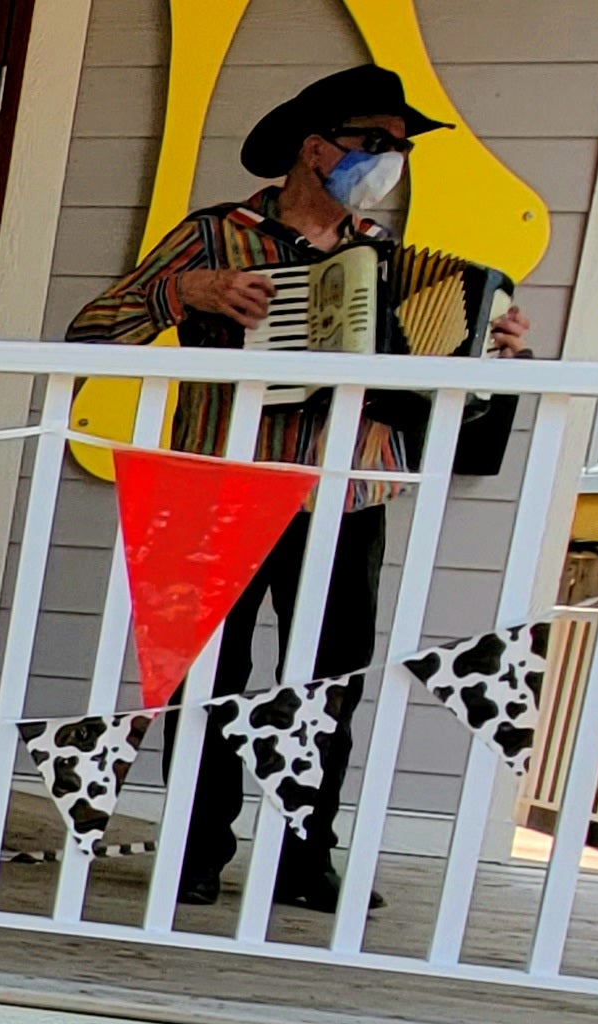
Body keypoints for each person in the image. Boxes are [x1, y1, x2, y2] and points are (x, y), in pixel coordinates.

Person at [66, 63, 530, 911]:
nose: (388, 159)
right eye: (373, 143)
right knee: (213, 679)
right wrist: (186, 292)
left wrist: (485, 345)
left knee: (327, 683)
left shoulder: (389, 260)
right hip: (226, 485)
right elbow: (91, 330)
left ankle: (303, 855)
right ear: (314, 149)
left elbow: (437, 377)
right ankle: (199, 850)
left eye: (398, 148)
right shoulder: (215, 235)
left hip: (348, 495)